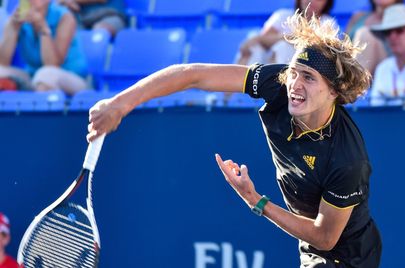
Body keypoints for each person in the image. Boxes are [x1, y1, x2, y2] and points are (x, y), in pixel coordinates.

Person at [87, 11, 382, 268]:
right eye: (294, 72)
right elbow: (194, 75)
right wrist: (120, 104)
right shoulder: (279, 84)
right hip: (310, 248)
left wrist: (256, 200)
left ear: (334, 92)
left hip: (349, 257)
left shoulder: (347, 159)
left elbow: (325, 238)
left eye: (308, 77)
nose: (294, 83)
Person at [0, 0, 88, 95]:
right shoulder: (18, 17)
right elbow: (3, 62)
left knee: (45, 75)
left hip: (72, 77)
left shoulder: (64, 17)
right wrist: (13, 27)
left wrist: (42, 27)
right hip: (32, 75)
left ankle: (36, 108)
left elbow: (52, 64)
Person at [237, 0, 336, 65]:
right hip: (266, 61)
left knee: (282, 48)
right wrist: (289, 38)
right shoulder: (282, 15)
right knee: (254, 47)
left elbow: (321, 50)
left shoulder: (328, 23)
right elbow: (264, 38)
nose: (312, 1)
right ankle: (233, 95)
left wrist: (287, 39)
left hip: (303, 66)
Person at [345, 0, 404, 75]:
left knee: (366, 34)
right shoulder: (358, 17)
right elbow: (342, 48)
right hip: (348, 67)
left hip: (386, 77)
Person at [58, 0, 127, 37]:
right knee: (66, 31)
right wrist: (68, 4)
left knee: (99, 32)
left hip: (109, 15)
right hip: (81, 19)